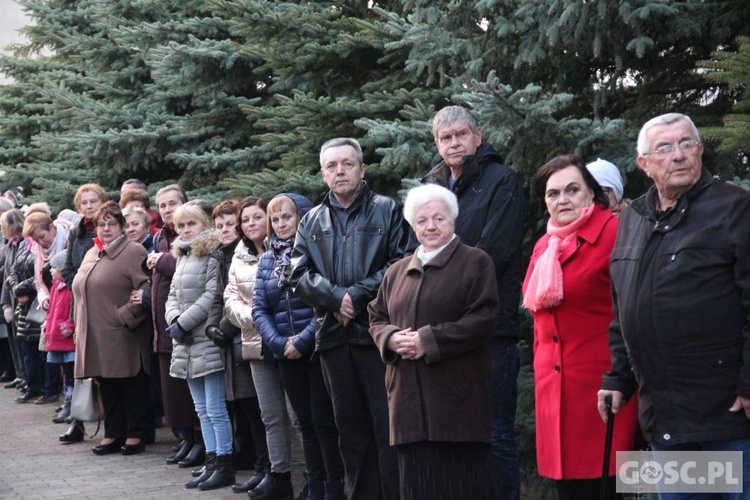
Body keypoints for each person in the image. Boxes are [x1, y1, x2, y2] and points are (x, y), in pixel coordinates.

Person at [598, 112, 750, 498]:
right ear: (645, 164)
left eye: (686, 144)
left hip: (730, 415)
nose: (678, 155)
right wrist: (618, 378)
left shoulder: (736, 208)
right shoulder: (632, 217)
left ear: (700, 151)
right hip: (668, 417)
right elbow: (624, 308)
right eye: (664, 148)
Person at [292, 137, 409, 500]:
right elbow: (297, 273)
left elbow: (401, 262)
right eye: (331, 166)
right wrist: (333, 298)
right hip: (332, 338)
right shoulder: (311, 220)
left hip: (375, 336)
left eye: (347, 163)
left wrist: (355, 296)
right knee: (350, 433)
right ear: (323, 173)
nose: (339, 171)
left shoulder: (387, 210)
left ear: (362, 169)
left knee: (386, 429)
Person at [369, 184, 499, 499]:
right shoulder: (397, 272)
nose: (431, 226)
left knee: (461, 487)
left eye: (439, 218)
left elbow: (483, 319)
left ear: (453, 221)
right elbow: (375, 317)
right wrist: (390, 338)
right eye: (422, 220)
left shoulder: (475, 262)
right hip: (407, 409)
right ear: (413, 226)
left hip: (457, 409)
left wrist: (428, 340)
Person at [423, 105, 526, 500]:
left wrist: (444, 290)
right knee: (454, 433)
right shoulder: (432, 187)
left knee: (496, 433)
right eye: (446, 138)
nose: (454, 143)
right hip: (444, 331)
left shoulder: (502, 181)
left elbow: (492, 253)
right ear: (437, 143)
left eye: (461, 135)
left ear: (478, 137)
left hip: (490, 329)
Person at [523, 155, 639, 499]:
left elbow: (632, 313)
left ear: (593, 193)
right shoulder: (545, 245)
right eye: (553, 193)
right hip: (554, 396)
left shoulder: (616, 232)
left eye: (572, 189)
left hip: (603, 394)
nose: (562, 199)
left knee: (607, 488)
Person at [254, 194, 345, 500]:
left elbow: (324, 302)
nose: (280, 224)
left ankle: (334, 486)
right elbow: (259, 308)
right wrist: (279, 343)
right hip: (285, 353)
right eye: (275, 219)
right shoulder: (267, 260)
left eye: (287, 217)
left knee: (323, 422)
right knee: (304, 424)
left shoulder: (316, 253)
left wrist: (302, 342)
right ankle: (315, 485)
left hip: (316, 350)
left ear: (302, 218)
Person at [226, 196, 300, 499]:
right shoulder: (239, 255)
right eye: (245, 220)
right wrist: (255, 318)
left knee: (298, 417)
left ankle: (314, 477)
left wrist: (264, 315)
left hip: (288, 342)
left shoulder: (284, 248)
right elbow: (230, 298)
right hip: (257, 342)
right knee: (270, 416)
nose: (251, 224)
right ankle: (279, 477)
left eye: (257, 217)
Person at [72, 201, 151, 456]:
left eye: (111, 224)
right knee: (107, 384)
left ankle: (136, 434)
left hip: (123, 333)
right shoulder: (92, 253)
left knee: (129, 384)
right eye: (101, 224)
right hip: (94, 334)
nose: (106, 229)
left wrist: (125, 316)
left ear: (121, 226)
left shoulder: (133, 251)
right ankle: (113, 432)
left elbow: (146, 289)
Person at [166, 202, 235, 491]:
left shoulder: (211, 255)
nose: (185, 230)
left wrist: (185, 322)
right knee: (201, 409)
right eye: (181, 225)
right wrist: (173, 320)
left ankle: (225, 463)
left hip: (204, 339)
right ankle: (210, 461)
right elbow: (171, 294)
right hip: (185, 341)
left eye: (191, 224)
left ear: (205, 225)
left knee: (215, 408)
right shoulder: (183, 256)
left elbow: (211, 296)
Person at [205, 200, 270, 493]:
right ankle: (259, 466)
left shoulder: (247, 255)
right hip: (229, 339)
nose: (226, 230)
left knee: (259, 409)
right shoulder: (223, 255)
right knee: (244, 408)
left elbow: (250, 299)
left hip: (247, 337)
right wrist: (213, 326)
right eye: (220, 226)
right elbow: (221, 296)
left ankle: (267, 466)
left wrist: (225, 327)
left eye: (231, 224)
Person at [148, 184, 203, 467]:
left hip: (187, 328)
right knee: (173, 393)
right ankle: (187, 440)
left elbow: (188, 268)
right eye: (163, 205)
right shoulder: (160, 237)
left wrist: (162, 260)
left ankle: (200, 441)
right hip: (165, 327)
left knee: (189, 391)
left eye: (172, 204)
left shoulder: (190, 237)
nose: (167, 210)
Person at [43, 250, 76, 424]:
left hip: (68, 340)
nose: (50, 270)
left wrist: (69, 326)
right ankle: (68, 403)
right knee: (65, 373)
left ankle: (74, 405)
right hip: (57, 338)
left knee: (72, 373)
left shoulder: (70, 289)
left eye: (54, 267)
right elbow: (52, 311)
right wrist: (48, 326)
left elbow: (73, 311)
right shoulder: (56, 288)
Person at [1, 209, 28, 392]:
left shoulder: (23, 243)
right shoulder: (10, 245)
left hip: (21, 296)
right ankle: (20, 374)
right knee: (14, 340)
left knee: (22, 340)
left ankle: (25, 375)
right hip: (11, 296)